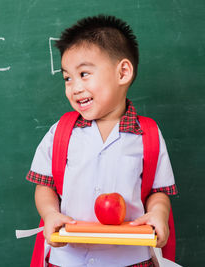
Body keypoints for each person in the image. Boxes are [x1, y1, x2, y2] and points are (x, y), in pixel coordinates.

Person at [26, 15, 177, 266]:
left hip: (129, 257)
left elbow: (158, 192)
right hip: (68, 257)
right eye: (67, 78)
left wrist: (158, 214)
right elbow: (45, 185)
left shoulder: (147, 134)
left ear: (123, 72)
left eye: (84, 74)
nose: (74, 87)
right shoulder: (61, 132)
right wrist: (50, 214)